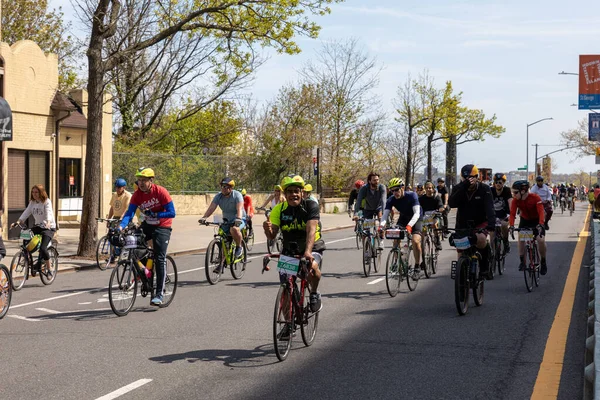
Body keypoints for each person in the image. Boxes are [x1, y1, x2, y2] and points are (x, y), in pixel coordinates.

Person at [263, 175, 325, 339]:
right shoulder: (279, 209)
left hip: (312, 246)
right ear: (285, 193)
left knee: (312, 269)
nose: (293, 194)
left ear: (302, 192)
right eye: (289, 191)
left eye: (296, 191)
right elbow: (272, 235)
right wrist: (267, 229)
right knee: (286, 287)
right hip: (290, 250)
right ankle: (288, 324)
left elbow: (311, 230)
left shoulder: (310, 205)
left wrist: (308, 252)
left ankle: (314, 293)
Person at [119, 167, 176, 306]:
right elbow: (129, 213)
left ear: (151, 180)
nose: (141, 183)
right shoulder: (137, 195)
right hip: (148, 224)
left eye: (144, 180)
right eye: (139, 180)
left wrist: (157, 214)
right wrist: (121, 226)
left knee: (159, 257)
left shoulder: (161, 192)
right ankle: (145, 272)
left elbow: (172, 212)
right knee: (134, 244)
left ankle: (159, 294)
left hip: (163, 225)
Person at [448, 165, 495, 279]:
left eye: (471, 178)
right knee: (461, 252)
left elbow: (490, 208)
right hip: (462, 224)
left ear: (477, 177)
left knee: (481, 239)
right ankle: (462, 281)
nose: (469, 181)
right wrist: (463, 187)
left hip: (480, 222)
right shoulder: (459, 188)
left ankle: (484, 266)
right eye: (465, 178)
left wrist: (491, 223)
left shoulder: (484, 189)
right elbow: (452, 203)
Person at [380, 178, 424, 274]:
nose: (395, 192)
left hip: (416, 219)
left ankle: (417, 266)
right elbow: (385, 215)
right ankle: (399, 262)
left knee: (415, 241)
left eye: (396, 190)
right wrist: (381, 226)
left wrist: (409, 226)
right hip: (403, 218)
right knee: (395, 239)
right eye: (392, 190)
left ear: (402, 188)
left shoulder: (412, 195)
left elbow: (416, 214)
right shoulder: (391, 199)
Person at [11, 185, 57, 277]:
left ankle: (49, 269)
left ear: (41, 193)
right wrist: (18, 222)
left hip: (48, 227)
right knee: (26, 236)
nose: (34, 194)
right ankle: (27, 258)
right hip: (38, 226)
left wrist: (48, 222)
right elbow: (26, 212)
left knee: (43, 248)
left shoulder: (46, 201)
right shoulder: (32, 202)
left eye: (36, 192)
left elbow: (49, 212)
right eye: (33, 192)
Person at [200, 177, 247, 261]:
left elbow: (239, 208)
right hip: (226, 220)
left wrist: (238, 219)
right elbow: (211, 208)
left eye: (226, 186)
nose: (223, 189)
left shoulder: (237, 195)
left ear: (231, 188)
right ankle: (221, 261)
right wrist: (204, 217)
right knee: (222, 238)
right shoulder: (218, 196)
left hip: (239, 218)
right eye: (222, 186)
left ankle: (239, 247)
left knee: (234, 229)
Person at [509, 180, 548, 275]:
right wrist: (511, 226)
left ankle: (543, 261)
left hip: (537, 220)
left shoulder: (535, 198)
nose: (513, 194)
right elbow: (512, 213)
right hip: (525, 220)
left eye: (515, 192)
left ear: (523, 191)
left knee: (540, 240)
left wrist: (541, 224)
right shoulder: (515, 200)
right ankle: (522, 261)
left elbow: (541, 212)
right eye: (513, 192)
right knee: (521, 238)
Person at [353, 172, 387, 250]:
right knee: (366, 231)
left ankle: (381, 240)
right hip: (368, 209)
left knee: (381, 221)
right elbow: (358, 201)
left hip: (378, 208)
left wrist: (384, 214)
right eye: (374, 180)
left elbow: (383, 201)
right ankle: (366, 250)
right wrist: (356, 214)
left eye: (377, 180)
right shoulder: (364, 188)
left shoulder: (382, 187)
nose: (377, 182)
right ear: (369, 181)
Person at [418, 181, 444, 251]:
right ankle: (423, 244)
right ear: (425, 189)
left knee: (434, 224)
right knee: (423, 230)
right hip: (425, 217)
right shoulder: (421, 198)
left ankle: (437, 240)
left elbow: (440, 205)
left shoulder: (436, 197)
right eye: (427, 188)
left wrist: (441, 208)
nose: (428, 189)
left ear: (433, 189)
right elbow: (417, 206)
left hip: (435, 216)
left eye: (430, 188)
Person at [491, 173, 512, 254]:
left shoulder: (507, 190)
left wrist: (511, 214)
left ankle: (506, 243)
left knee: (504, 225)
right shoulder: (491, 190)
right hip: (493, 215)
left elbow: (510, 202)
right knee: (492, 235)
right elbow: (486, 203)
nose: (498, 184)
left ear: (503, 183)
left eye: (500, 182)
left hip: (504, 215)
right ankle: (492, 253)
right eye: (496, 182)